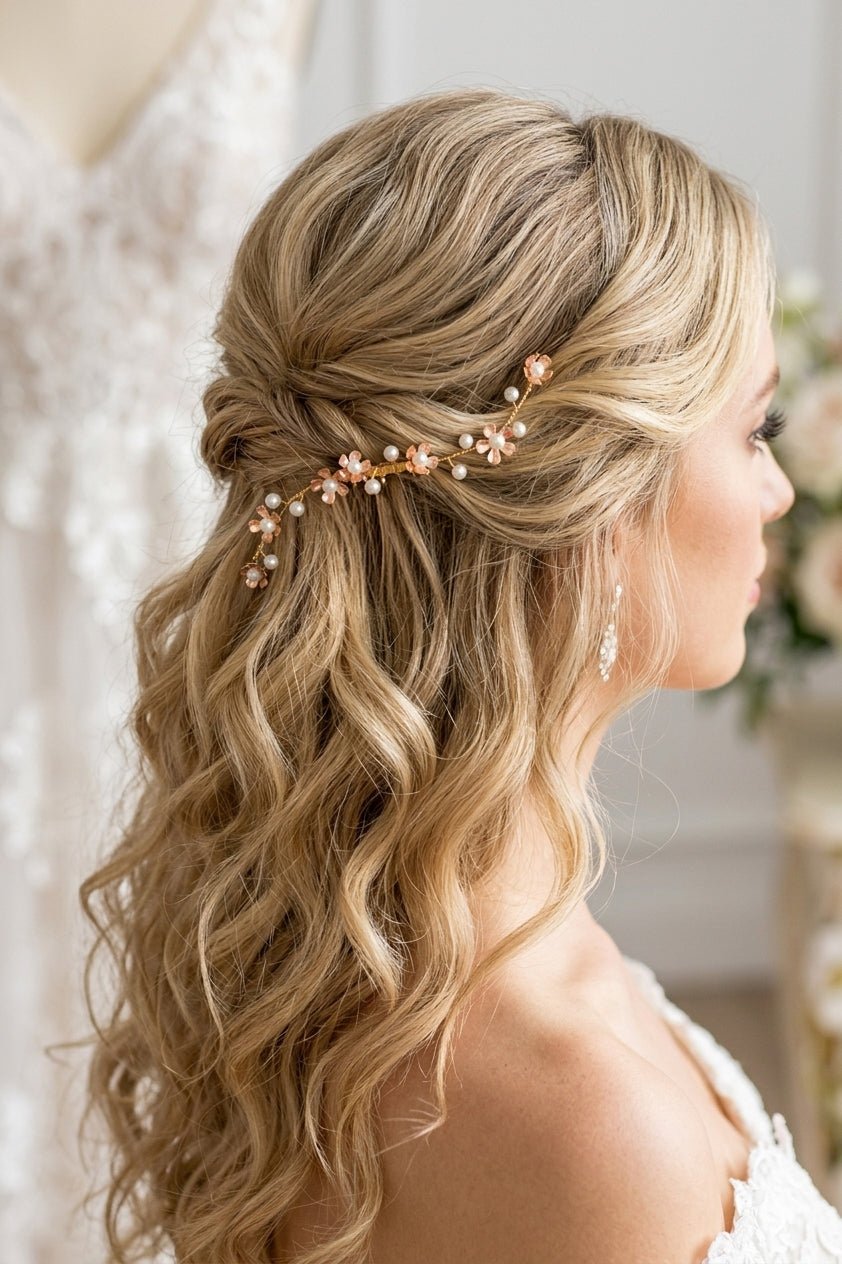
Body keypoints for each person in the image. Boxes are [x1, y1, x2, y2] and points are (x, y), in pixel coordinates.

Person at [77, 87, 838, 1264]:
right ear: (594, 503)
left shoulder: (379, 944)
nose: (774, 494)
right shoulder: (582, 1122)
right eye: (752, 432)